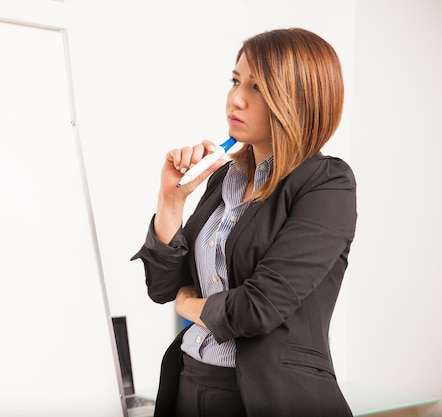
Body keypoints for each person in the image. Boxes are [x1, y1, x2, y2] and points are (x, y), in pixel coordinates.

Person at [131, 27, 357, 417]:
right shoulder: (224, 178)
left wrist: (188, 306)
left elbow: (257, 308)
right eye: (236, 81)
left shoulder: (327, 183)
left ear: (300, 99)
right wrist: (171, 200)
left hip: (268, 397)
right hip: (188, 383)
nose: (236, 98)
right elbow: (163, 285)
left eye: (258, 87)